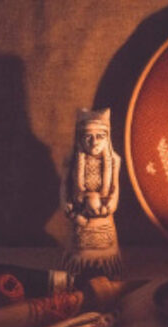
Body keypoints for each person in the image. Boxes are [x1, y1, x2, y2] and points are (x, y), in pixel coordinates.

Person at [61, 108, 122, 279]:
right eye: (88, 137)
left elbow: (115, 187)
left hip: (103, 215)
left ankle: (108, 271)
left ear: (107, 138)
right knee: (80, 255)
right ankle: (76, 274)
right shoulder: (72, 160)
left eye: (100, 136)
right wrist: (68, 208)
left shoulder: (114, 161)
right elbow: (64, 185)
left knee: (106, 254)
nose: (94, 142)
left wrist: (110, 205)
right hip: (80, 214)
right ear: (80, 139)